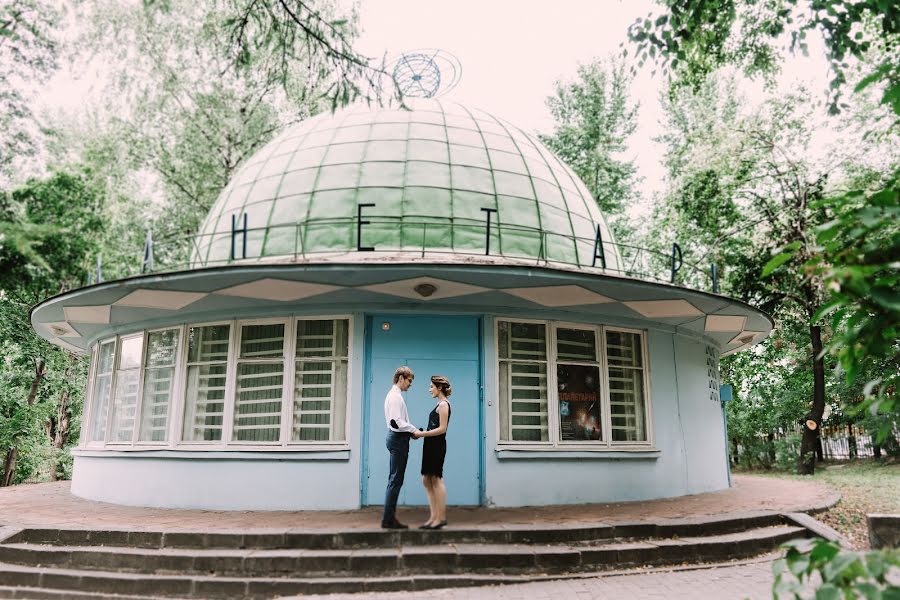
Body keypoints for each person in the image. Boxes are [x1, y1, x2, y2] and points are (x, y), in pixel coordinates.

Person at [382, 366, 419, 529]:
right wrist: (412, 429)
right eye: (409, 381)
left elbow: (396, 422)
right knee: (395, 480)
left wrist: (409, 430)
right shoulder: (395, 397)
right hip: (398, 440)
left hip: (396, 438)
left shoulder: (394, 395)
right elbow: (395, 422)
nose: (410, 384)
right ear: (401, 378)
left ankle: (389, 518)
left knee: (394, 479)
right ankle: (388, 520)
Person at [413, 375, 452, 530]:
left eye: (431, 387)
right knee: (426, 480)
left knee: (436, 480)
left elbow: (442, 429)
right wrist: (422, 434)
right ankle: (433, 517)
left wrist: (421, 434)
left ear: (439, 387)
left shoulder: (444, 405)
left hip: (437, 446)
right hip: (430, 445)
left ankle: (440, 519)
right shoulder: (438, 404)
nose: (429, 390)